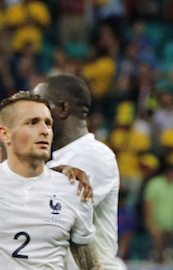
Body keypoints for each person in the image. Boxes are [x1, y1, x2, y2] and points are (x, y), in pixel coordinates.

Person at [0, 92, 102, 269]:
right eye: (32, 123)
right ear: (5, 134)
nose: (44, 130)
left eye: (48, 123)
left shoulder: (74, 189)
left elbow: (91, 266)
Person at [33, 74, 123, 269]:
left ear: (63, 109)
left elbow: (50, 212)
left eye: (40, 107)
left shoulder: (95, 155)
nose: (33, 115)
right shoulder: (55, 162)